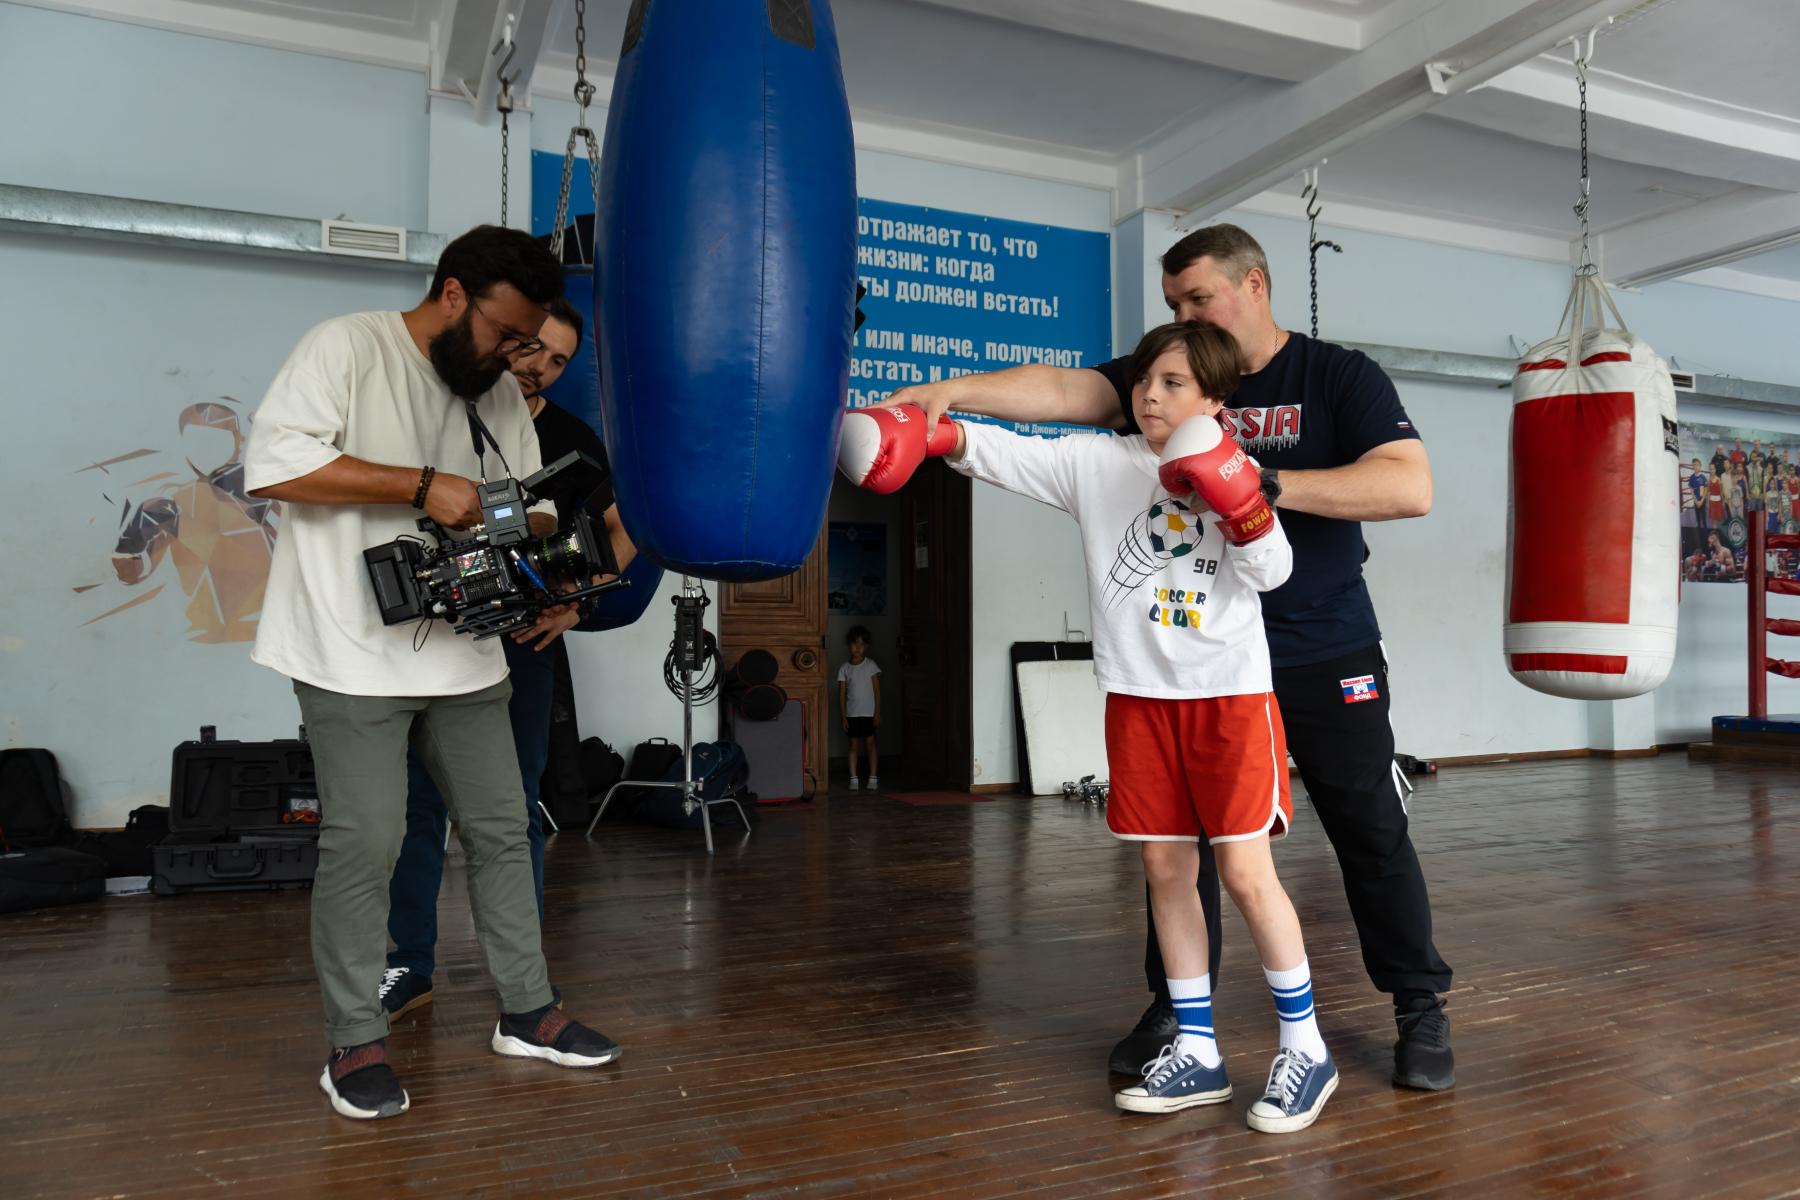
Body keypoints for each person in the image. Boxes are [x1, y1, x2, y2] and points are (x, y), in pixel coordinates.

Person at [881, 223, 1453, 1091]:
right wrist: (955, 391)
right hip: (1190, 657)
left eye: (1199, 298)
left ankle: (1418, 1007)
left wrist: (1256, 484)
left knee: (1369, 826)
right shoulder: (1167, 372)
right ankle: (1180, 1018)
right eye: (1174, 305)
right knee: (1174, 845)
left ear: (1253, 285)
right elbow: (1066, 392)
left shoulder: (1336, 376)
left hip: (1318, 639)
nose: (1184, 316)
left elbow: (1409, 486)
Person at [843, 323, 1338, 1132]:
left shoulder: (1236, 469)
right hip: (1138, 699)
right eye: (1146, 380)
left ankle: (1306, 1049)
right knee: (1166, 874)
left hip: (1227, 700)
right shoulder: (1098, 465)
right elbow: (1004, 453)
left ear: (1216, 399)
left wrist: (1240, 500)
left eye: (1175, 384)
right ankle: (1199, 1048)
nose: (1151, 395)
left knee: (1247, 876)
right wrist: (933, 424)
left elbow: (1275, 572)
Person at [245, 225, 620, 1122]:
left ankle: (528, 1012)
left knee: (503, 829)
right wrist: (419, 487)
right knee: (366, 842)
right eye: (505, 333)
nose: (514, 357)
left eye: (528, 343)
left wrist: (555, 563)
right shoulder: (346, 346)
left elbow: (519, 507)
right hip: (344, 650)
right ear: (455, 295)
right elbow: (276, 466)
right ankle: (353, 1042)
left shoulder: (494, 396)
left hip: (466, 653)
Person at [379, 296, 636, 1022]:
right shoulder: (438, 410)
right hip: (422, 637)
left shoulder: (573, 441)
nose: (541, 370)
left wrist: (578, 603)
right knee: (416, 805)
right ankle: (408, 966)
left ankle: (524, 985)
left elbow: (626, 526)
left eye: (558, 362)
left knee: (512, 811)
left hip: (517, 642)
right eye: (534, 351)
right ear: (505, 339)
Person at [837, 625, 883, 790]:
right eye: (855, 643)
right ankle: (853, 778)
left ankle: (873, 777)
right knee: (853, 745)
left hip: (869, 713)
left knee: (870, 744)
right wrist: (843, 716)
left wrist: (877, 713)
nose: (858, 647)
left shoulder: (871, 665)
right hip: (852, 713)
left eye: (862, 644)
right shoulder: (844, 668)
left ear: (866, 647)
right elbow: (841, 695)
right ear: (849, 644)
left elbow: (877, 691)